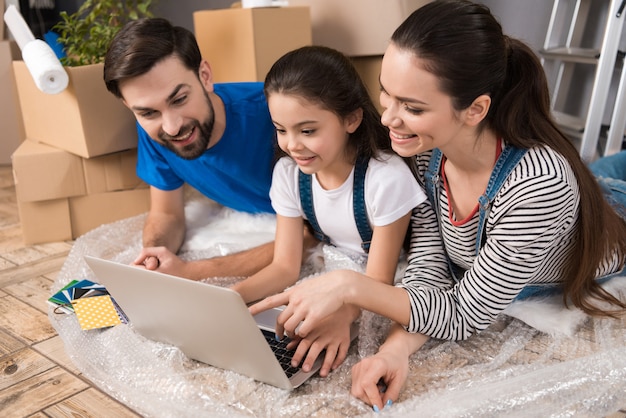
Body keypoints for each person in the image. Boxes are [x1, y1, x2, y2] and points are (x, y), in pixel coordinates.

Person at [249, 0, 626, 411]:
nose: (389, 119)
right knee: (599, 172)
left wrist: (349, 286)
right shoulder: (428, 156)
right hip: (585, 190)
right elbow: (433, 266)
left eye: (412, 107)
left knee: (607, 179)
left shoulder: (539, 186)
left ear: (476, 109)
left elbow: (466, 312)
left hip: (613, 215)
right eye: (386, 95)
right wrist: (396, 350)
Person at [232, 45, 425, 376]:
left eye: (308, 131)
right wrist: (230, 299)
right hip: (333, 271)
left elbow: (378, 279)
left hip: (378, 284)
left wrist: (342, 314)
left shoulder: (386, 178)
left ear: (351, 119)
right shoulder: (289, 174)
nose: (292, 144)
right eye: (281, 129)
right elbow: (284, 267)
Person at [103, 17, 285, 277]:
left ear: (205, 76)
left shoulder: (276, 112)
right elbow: (167, 214)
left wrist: (191, 271)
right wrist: (154, 257)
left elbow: (314, 233)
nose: (172, 127)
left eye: (179, 99)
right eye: (148, 112)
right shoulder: (155, 132)